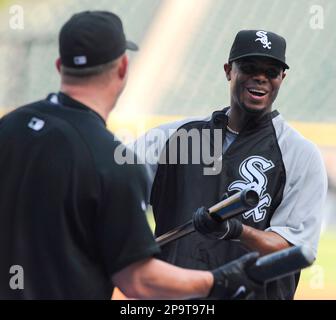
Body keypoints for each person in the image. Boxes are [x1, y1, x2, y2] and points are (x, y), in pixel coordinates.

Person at [0, 11, 262, 300]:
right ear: (123, 67)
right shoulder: (113, 161)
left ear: (60, 66)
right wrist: (218, 280)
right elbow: (139, 281)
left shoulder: (9, 126)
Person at [131, 30, 328, 299]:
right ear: (228, 70)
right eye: (249, 68)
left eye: (271, 71)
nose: (261, 77)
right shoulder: (173, 138)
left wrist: (234, 230)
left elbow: (293, 251)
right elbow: (111, 185)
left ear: (282, 78)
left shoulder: (300, 155)